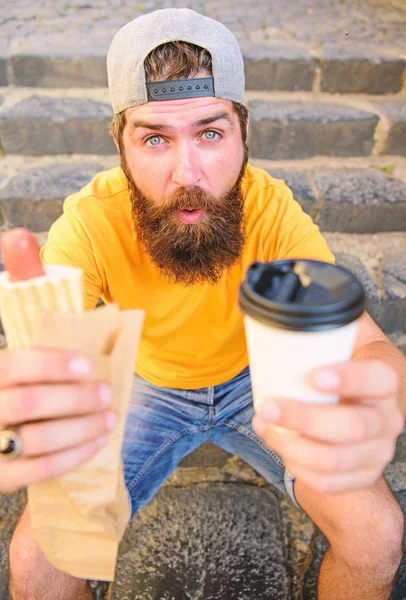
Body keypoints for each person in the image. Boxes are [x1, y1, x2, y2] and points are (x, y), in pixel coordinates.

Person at [2, 8, 405, 600]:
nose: (187, 173)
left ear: (245, 132)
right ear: (119, 142)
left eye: (211, 133)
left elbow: (367, 342)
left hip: (261, 380)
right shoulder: (88, 224)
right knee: (37, 561)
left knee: (379, 534)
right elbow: (42, 357)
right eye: (155, 138)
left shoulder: (271, 209)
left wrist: (377, 390)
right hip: (147, 384)